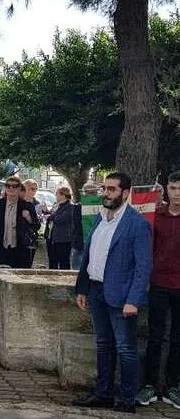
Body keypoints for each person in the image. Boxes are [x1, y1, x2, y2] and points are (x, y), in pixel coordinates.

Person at [73, 172, 153, 414]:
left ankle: (127, 400)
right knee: (103, 345)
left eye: (111, 190)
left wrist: (134, 300)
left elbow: (144, 266)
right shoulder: (100, 219)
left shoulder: (137, 224)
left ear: (125, 193)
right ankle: (103, 394)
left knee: (125, 349)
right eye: (104, 189)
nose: (105, 194)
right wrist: (83, 288)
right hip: (96, 291)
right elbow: (90, 256)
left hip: (122, 297)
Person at [136, 170, 180, 409]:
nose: (177, 194)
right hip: (159, 284)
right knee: (155, 336)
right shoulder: (157, 216)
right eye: (173, 188)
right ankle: (150, 384)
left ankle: (173, 386)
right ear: (167, 189)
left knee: (177, 339)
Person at [0, 176, 40, 268]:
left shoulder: (27, 206)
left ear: (20, 188)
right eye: (8, 186)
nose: (11, 188)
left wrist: (28, 218)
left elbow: (37, 226)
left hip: (20, 250)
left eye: (15, 186)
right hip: (0, 249)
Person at [46, 187, 74, 270]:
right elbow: (52, 216)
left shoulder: (70, 206)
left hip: (63, 239)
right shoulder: (56, 204)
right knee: (52, 261)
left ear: (63, 195)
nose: (55, 195)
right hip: (51, 237)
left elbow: (60, 219)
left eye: (57, 193)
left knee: (64, 262)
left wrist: (51, 216)